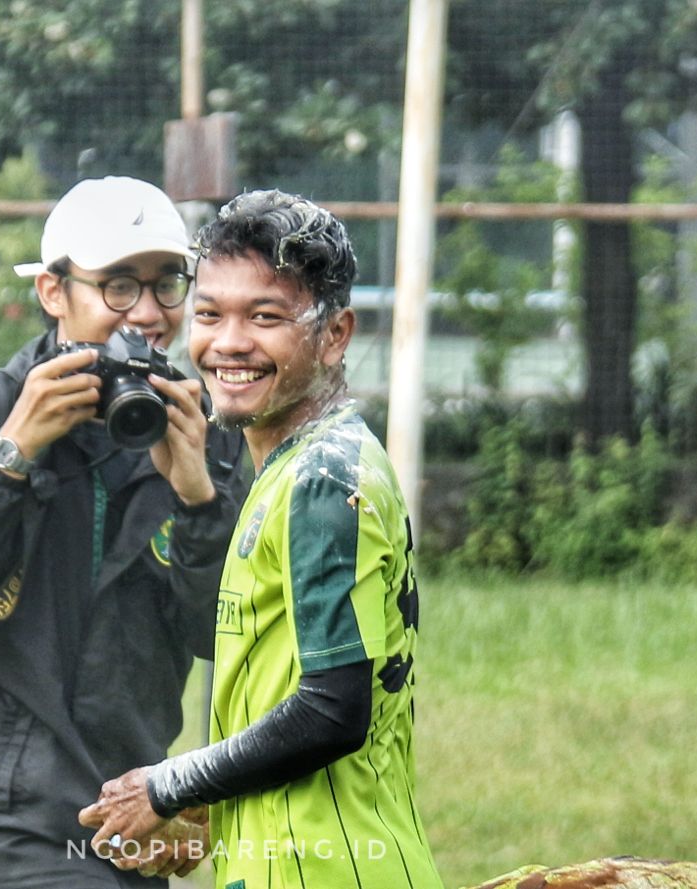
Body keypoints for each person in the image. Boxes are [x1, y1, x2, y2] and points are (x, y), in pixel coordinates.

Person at [0, 176, 248, 888]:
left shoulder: (201, 429)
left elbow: (219, 636)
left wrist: (199, 497)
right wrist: (11, 455)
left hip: (134, 802)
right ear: (53, 291)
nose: (145, 313)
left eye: (167, 283)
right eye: (117, 285)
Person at [79, 190, 444, 888]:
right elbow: (288, 705)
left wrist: (171, 783)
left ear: (335, 334)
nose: (228, 343)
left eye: (266, 317)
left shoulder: (324, 477)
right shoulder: (290, 466)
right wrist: (215, 812)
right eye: (211, 313)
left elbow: (335, 709)